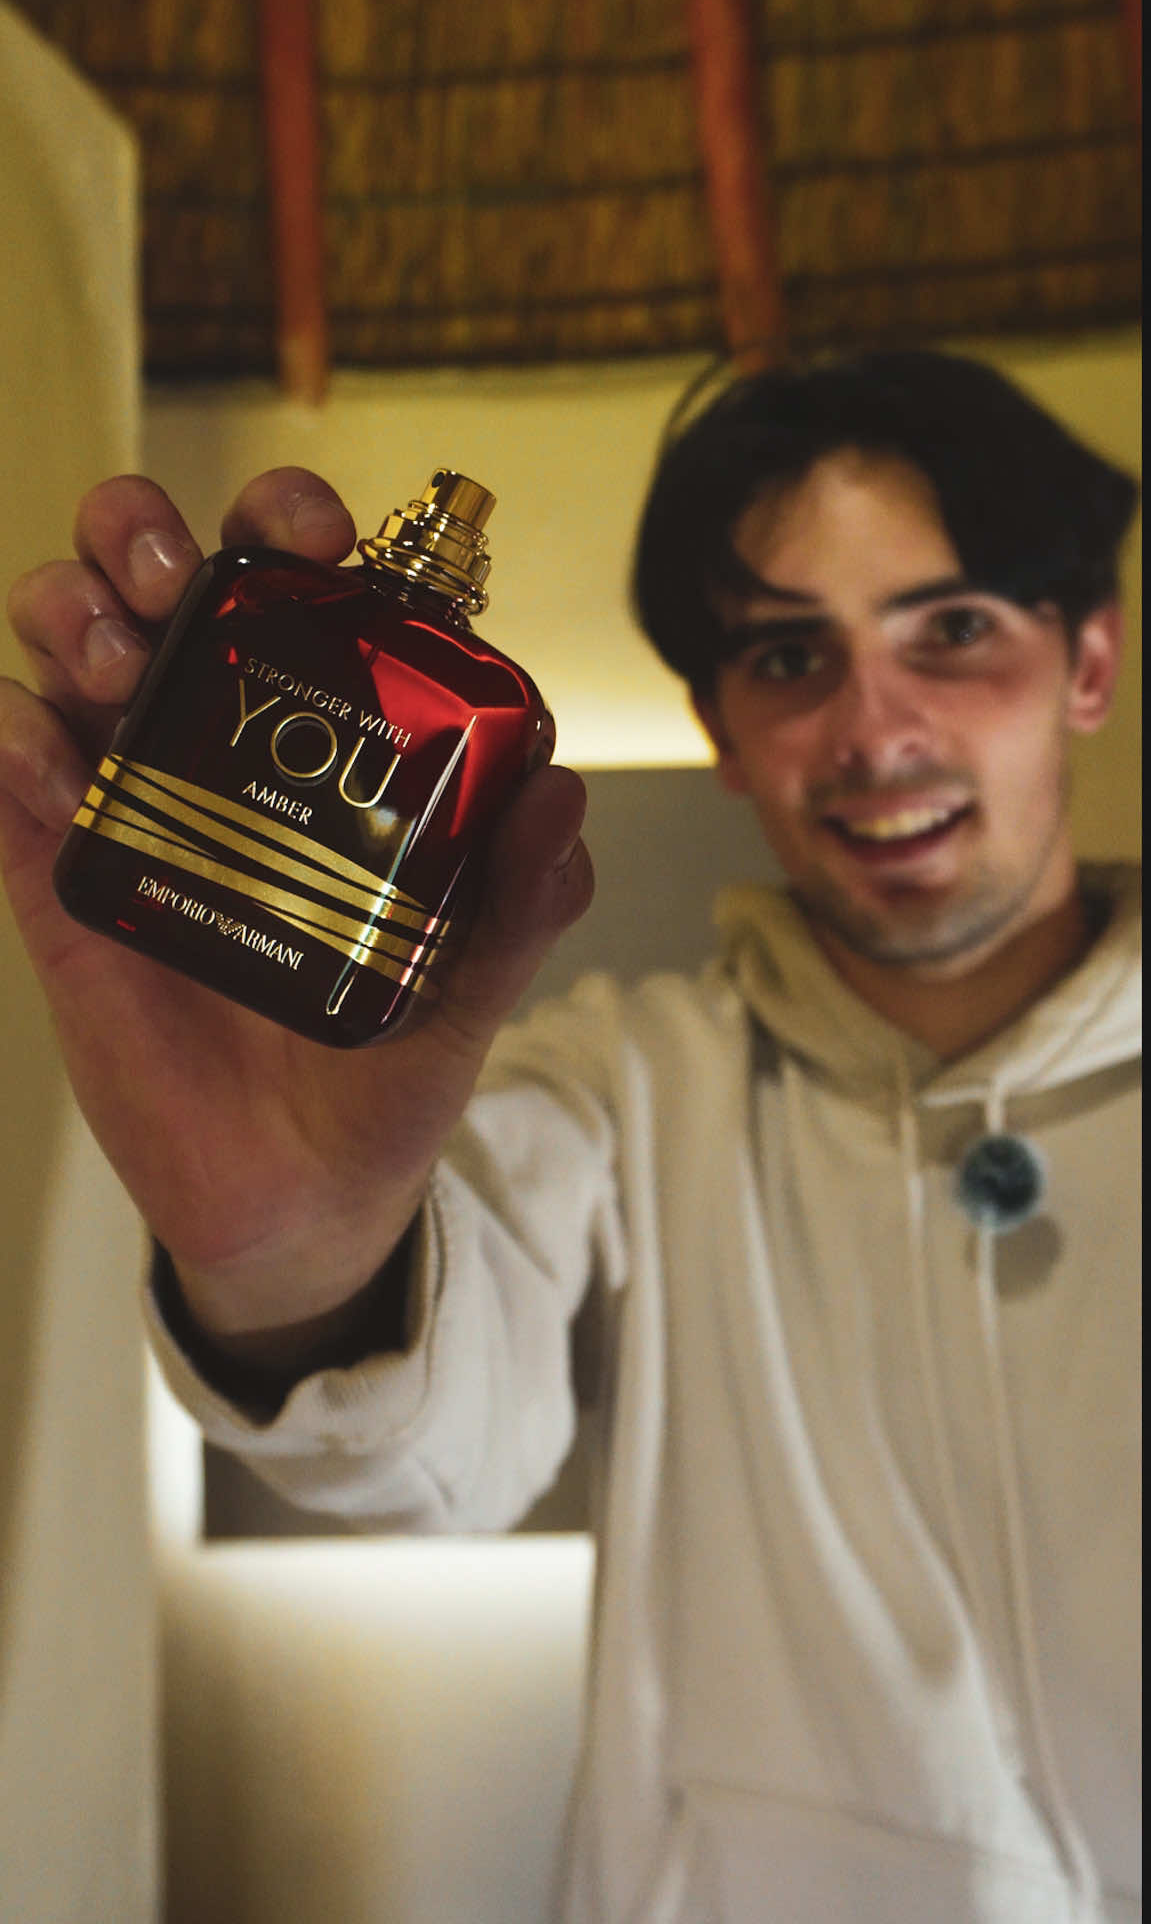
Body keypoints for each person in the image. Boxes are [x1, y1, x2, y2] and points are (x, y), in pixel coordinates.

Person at [0, 349, 1140, 1923]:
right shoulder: (629, 1087)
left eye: (952, 632)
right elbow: (429, 1447)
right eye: (789, 655)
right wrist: (295, 1261)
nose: (878, 731)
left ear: (1090, 662)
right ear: (720, 725)